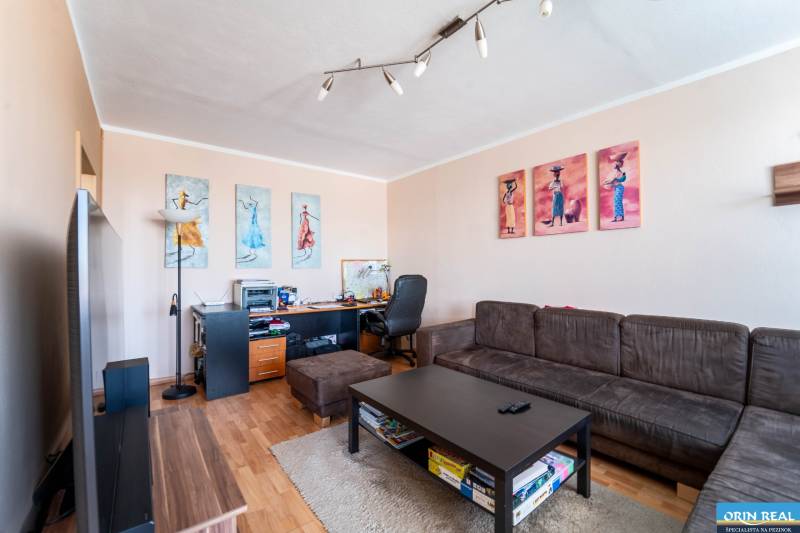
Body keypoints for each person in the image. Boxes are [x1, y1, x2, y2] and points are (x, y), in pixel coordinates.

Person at [237, 196, 266, 264]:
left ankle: (250, 255)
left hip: (254, 223)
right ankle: (251, 255)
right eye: (252, 251)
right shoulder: (253, 208)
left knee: (253, 234)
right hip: (254, 223)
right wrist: (244, 201)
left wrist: (249, 200)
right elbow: (248, 206)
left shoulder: (253, 208)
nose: (250, 204)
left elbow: (255, 203)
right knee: (254, 234)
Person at [602, 153, 628, 222]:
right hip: (618, 188)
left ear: (617, 165)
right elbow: (615, 179)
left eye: (614, 164)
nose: (613, 165)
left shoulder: (617, 172)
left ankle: (617, 218)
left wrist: (605, 182)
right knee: (618, 202)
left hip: (619, 188)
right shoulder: (617, 172)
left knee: (617, 202)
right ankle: (620, 217)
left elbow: (614, 179)